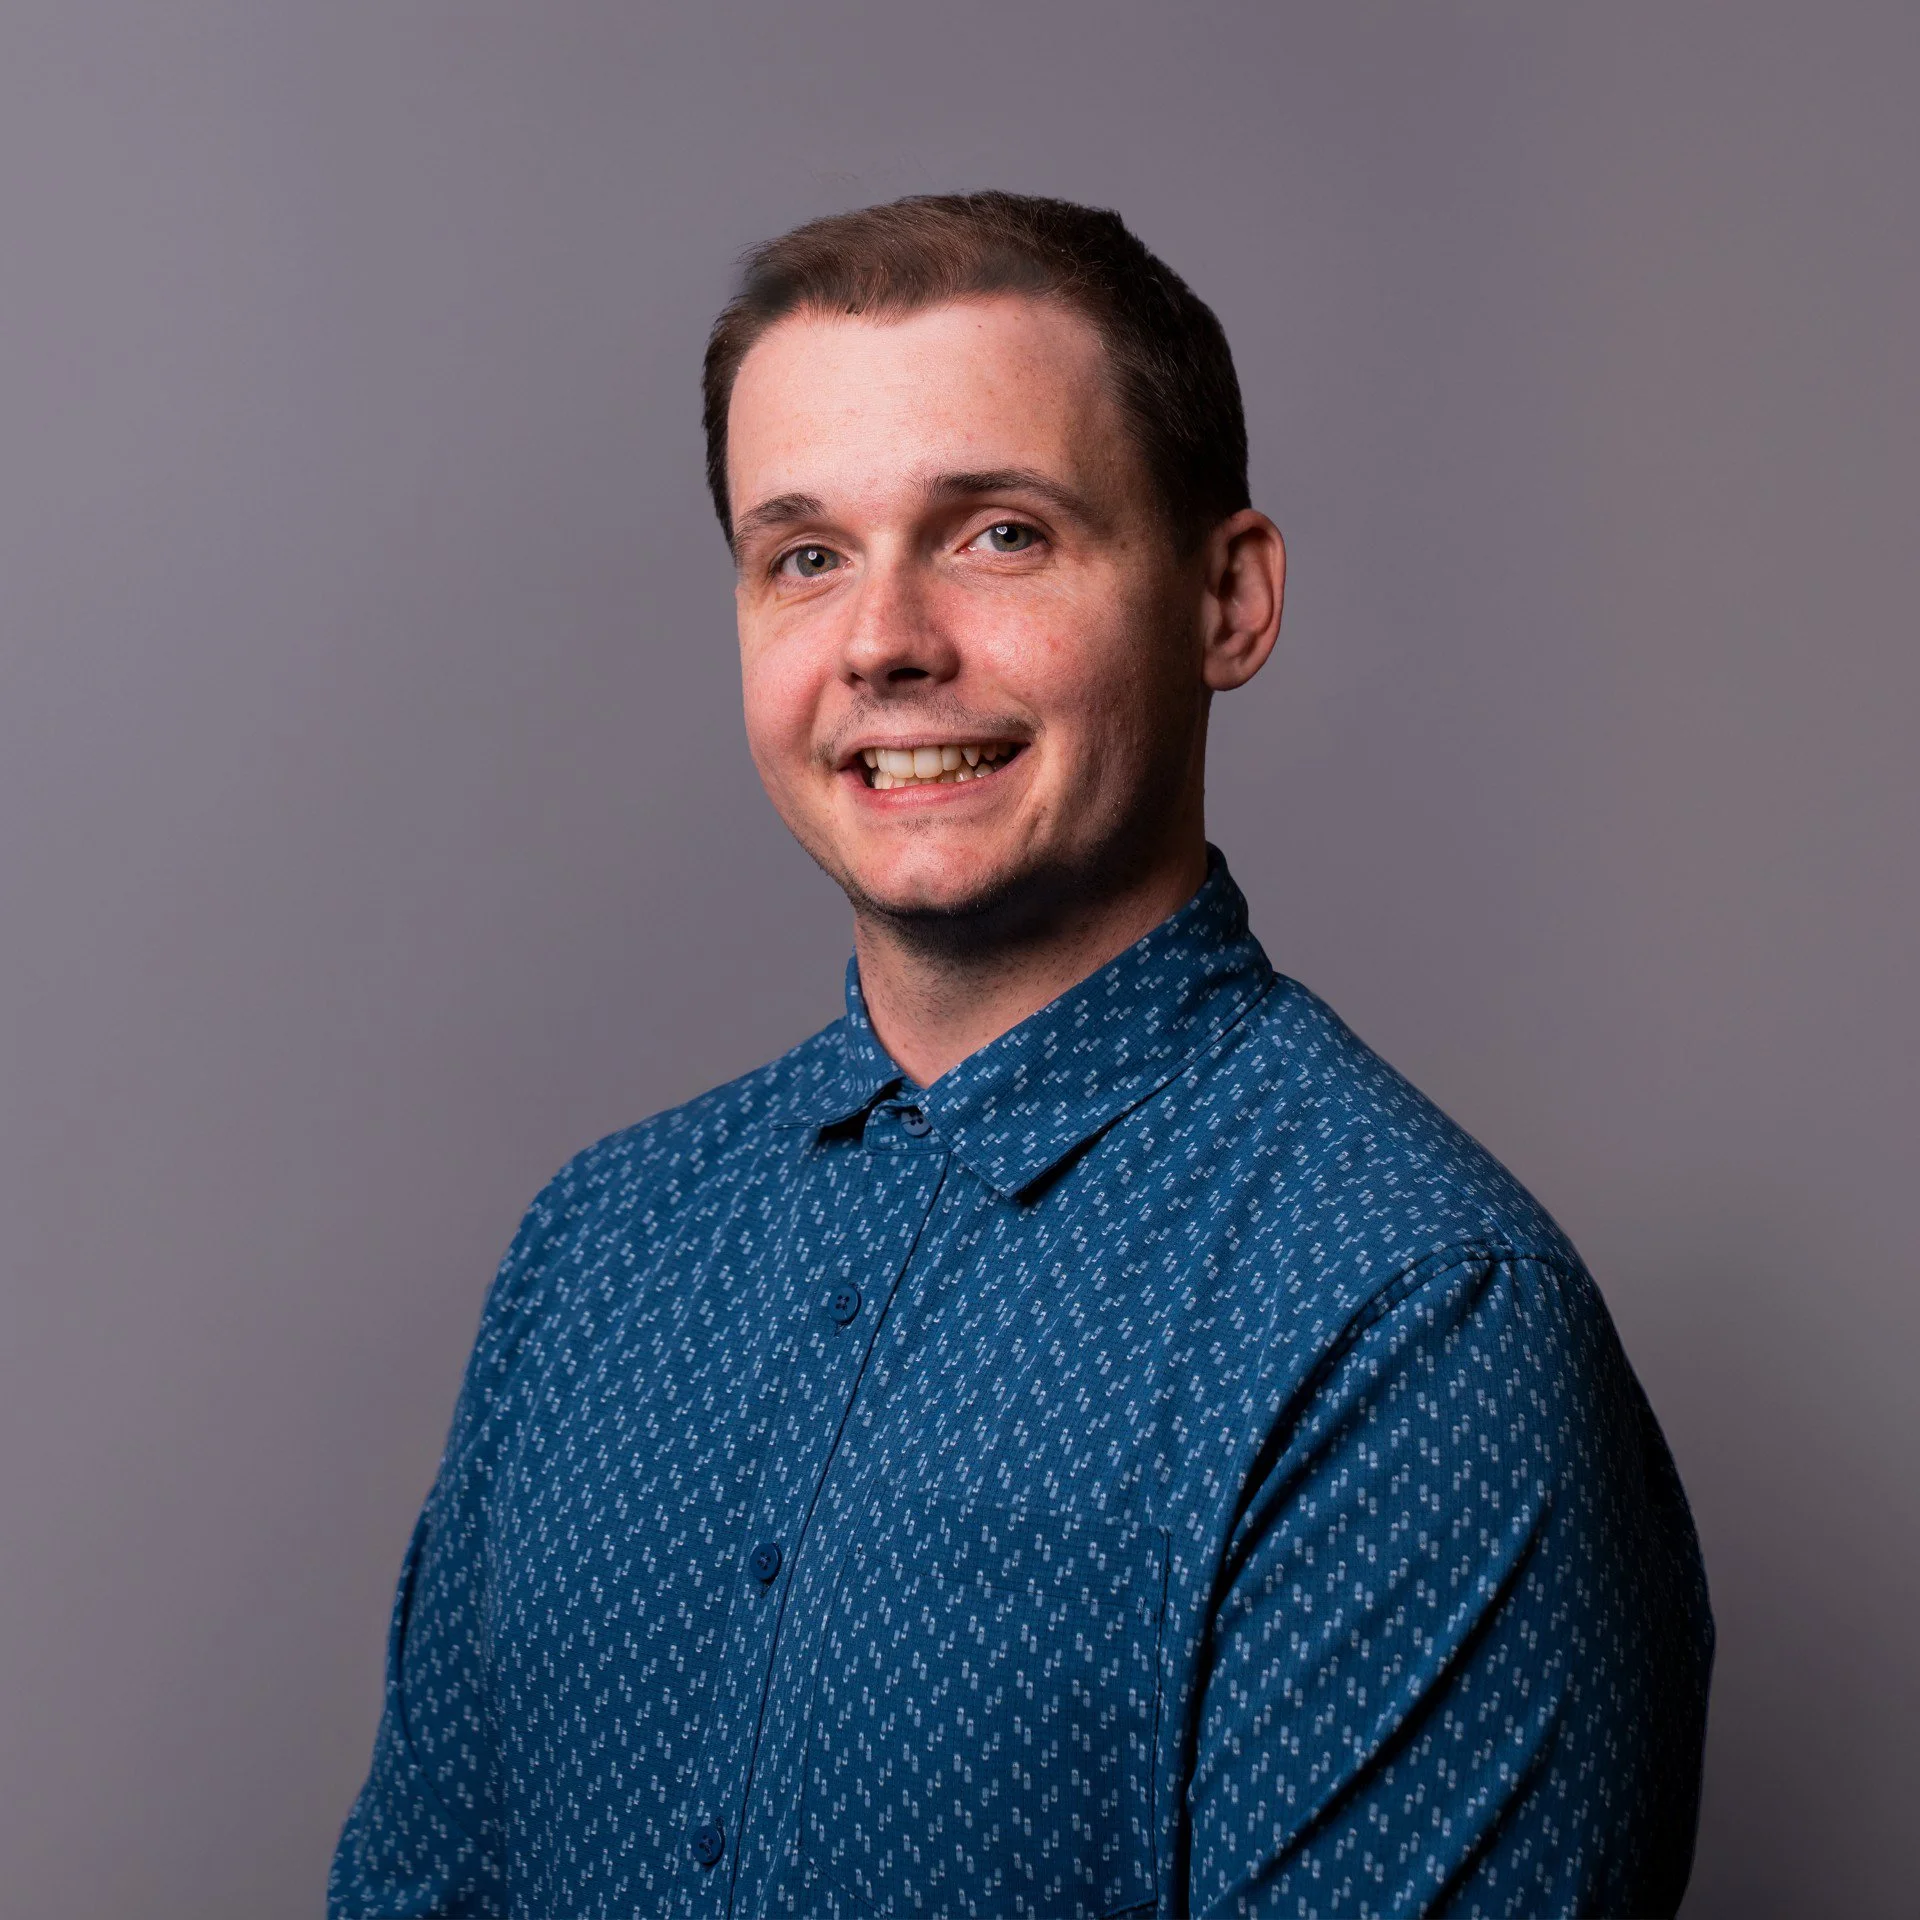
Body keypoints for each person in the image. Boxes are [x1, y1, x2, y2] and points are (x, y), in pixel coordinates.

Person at [329, 191, 1712, 1920]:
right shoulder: (593, 1256)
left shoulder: (1417, 1326)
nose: (884, 641)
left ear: (1227, 598)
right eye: (805, 556)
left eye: (998, 534)